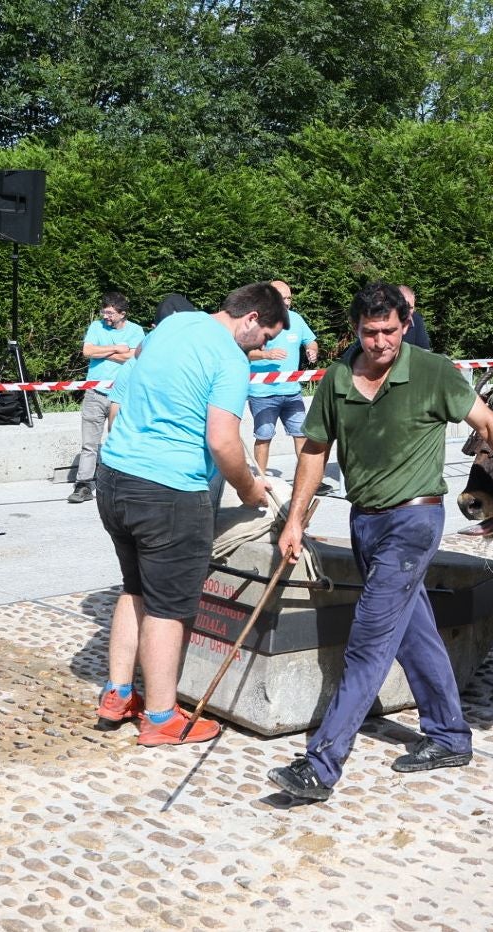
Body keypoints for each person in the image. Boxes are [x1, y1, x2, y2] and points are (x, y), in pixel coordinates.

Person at [267, 283, 493, 801]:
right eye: (370, 332)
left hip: (413, 522)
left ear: (405, 324)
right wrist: (295, 519)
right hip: (365, 523)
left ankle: (321, 765)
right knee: (411, 632)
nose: (380, 342)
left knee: (369, 642)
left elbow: (488, 422)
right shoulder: (336, 379)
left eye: (390, 331)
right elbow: (314, 448)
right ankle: (448, 736)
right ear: (355, 329)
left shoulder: (431, 371)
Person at [92, 283, 286, 745]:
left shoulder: (175, 324)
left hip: (115, 475)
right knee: (170, 606)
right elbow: (222, 441)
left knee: (135, 587)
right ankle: (161, 718)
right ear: (252, 319)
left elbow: (134, 380)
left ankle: (117, 694)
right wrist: (248, 487)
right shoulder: (230, 359)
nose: (264, 348)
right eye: (266, 337)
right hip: (170, 490)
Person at [70, 293, 145, 504]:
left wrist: (101, 352)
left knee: (121, 439)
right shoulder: (96, 326)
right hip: (94, 393)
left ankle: (121, 483)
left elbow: (134, 356)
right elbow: (87, 351)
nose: (106, 316)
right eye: (104, 311)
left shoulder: (136, 330)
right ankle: (84, 485)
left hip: (122, 396)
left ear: (123, 314)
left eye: (110, 313)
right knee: (89, 443)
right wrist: (115, 349)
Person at [247, 280, 319, 479]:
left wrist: (311, 350)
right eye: (282, 298)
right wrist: (265, 355)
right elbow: (244, 352)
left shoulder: (296, 319)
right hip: (262, 392)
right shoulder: (255, 322)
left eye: (289, 298)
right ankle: (260, 480)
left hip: (292, 391)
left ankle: (308, 479)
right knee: (264, 437)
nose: (287, 302)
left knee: (301, 434)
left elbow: (311, 340)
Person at [399, 285, 431, 350]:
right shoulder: (385, 321)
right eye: (404, 307)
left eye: (410, 308)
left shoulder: (416, 319)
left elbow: (424, 351)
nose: (407, 312)